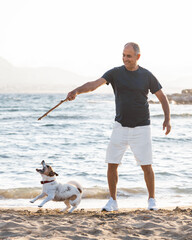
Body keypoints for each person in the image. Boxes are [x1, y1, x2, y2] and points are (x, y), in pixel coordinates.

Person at [66, 42, 171, 211]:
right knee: (112, 164)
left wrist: (167, 119)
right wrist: (76, 91)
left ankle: (152, 200)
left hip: (142, 127)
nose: (125, 59)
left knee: (146, 165)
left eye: (129, 56)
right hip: (120, 127)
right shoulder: (115, 73)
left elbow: (162, 96)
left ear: (138, 57)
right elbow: (94, 84)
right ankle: (112, 201)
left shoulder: (146, 75)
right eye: (123, 55)